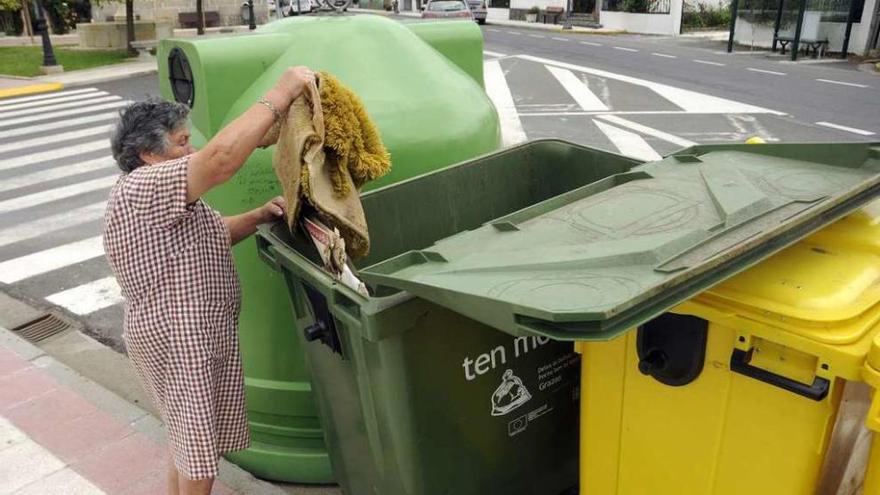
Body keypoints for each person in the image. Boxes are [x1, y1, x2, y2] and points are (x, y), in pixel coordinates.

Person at [103, 66, 316, 495]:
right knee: (199, 451)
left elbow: (212, 234)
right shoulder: (144, 185)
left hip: (186, 334)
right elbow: (220, 160)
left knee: (186, 443)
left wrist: (258, 216)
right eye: (182, 141)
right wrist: (281, 91)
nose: (192, 149)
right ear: (147, 153)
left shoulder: (164, 198)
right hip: (179, 337)